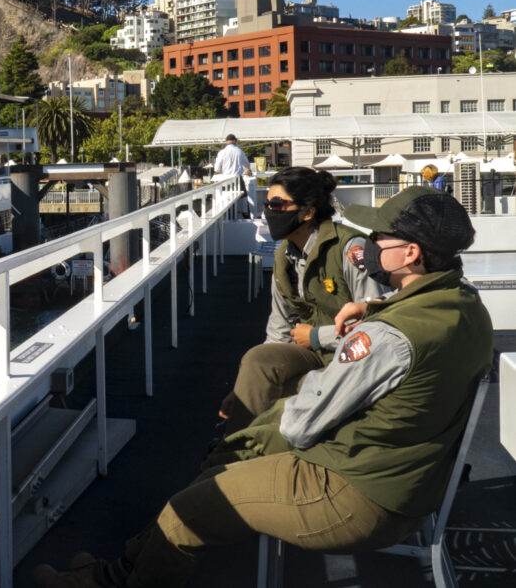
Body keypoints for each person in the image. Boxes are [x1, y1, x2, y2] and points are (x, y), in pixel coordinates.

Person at [33, 186, 492, 588]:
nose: (369, 244)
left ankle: (116, 580)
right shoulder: (465, 307)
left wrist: (253, 435)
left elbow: (302, 421)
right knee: (212, 477)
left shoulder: (387, 338)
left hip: (354, 495)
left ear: (411, 254)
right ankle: (121, 568)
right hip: (406, 482)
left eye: (380, 238)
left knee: (186, 512)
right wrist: (373, 309)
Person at [218, 167, 389, 434]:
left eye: (277, 204)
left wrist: (317, 337)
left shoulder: (349, 249)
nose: (269, 212)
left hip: (351, 360)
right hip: (313, 355)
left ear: (308, 212)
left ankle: (240, 452)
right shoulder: (284, 257)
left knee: (277, 398)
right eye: (267, 204)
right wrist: (245, 388)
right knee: (257, 360)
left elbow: (377, 327)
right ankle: (231, 451)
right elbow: (279, 332)